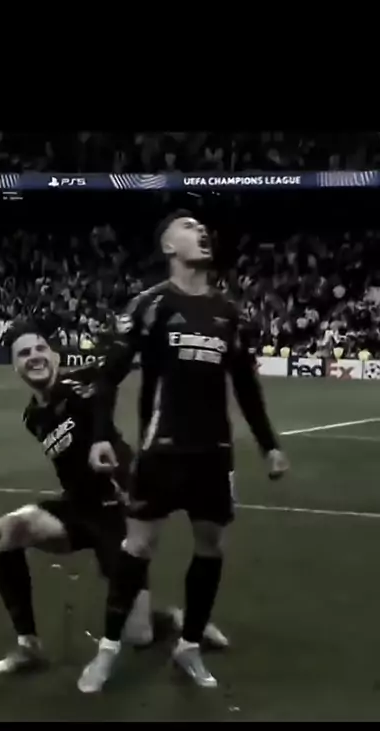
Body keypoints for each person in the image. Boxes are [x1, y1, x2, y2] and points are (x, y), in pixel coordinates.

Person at [78, 210, 289, 693]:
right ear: (169, 246)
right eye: (189, 227)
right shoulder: (150, 304)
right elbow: (107, 376)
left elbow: (246, 385)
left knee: (210, 547)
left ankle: (189, 645)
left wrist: (269, 445)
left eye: (202, 228)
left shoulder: (229, 313)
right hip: (162, 451)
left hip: (214, 454)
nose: (201, 232)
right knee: (138, 547)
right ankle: (107, 649)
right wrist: (100, 436)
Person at [0, 321, 151, 675]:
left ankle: (170, 618)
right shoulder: (33, 417)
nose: (34, 357)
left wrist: (130, 331)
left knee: (140, 634)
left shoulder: (81, 383)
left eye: (40, 349)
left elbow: (113, 369)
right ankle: (28, 647)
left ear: (55, 356)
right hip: (77, 510)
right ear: (15, 366)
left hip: (116, 512)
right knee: (7, 530)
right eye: (24, 353)